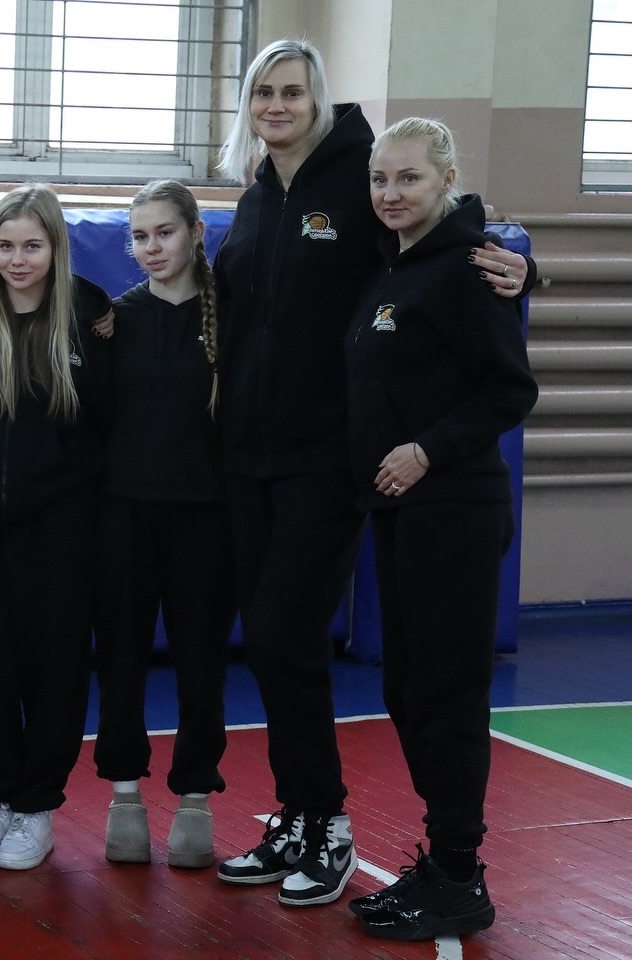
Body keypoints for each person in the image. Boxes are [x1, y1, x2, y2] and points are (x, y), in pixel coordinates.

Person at [211, 38, 534, 909]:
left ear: (318, 100)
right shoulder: (254, 199)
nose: (276, 105)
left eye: (292, 91)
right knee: (270, 643)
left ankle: (328, 821)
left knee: (286, 632)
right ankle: (299, 813)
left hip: (328, 459)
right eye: (262, 92)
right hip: (249, 458)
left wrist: (520, 263)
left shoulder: (358, 178)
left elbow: (441, 234)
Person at [344, 118, 536, 941]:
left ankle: (459, 873)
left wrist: (427, 450)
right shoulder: (393, 265)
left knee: (447, 696)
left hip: (454, 511)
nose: (391, 193)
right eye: (380, 179)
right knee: (408, 690)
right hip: (400, 514)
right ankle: (446, 858)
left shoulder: (467, 269)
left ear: (446, 180)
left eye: (409, 178)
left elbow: (509, 390)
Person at [0, 184, 113, 871]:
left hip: (60, 527)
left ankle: (37, 805)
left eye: (32, 246)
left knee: (54, 669)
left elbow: (108, 422)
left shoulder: (89, 314)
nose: (18, 260)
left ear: (56, 248)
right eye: (6, 246)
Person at [92, 180, 236, 867]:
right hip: (123, 518)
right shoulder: (114, 321)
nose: (152, 248)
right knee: (120, 659)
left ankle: (195, 796)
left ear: (196, 232)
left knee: (201, 665)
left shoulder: (232, 316)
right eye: (140, 237)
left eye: (165, 233)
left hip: (207, 520)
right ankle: (124, 795)